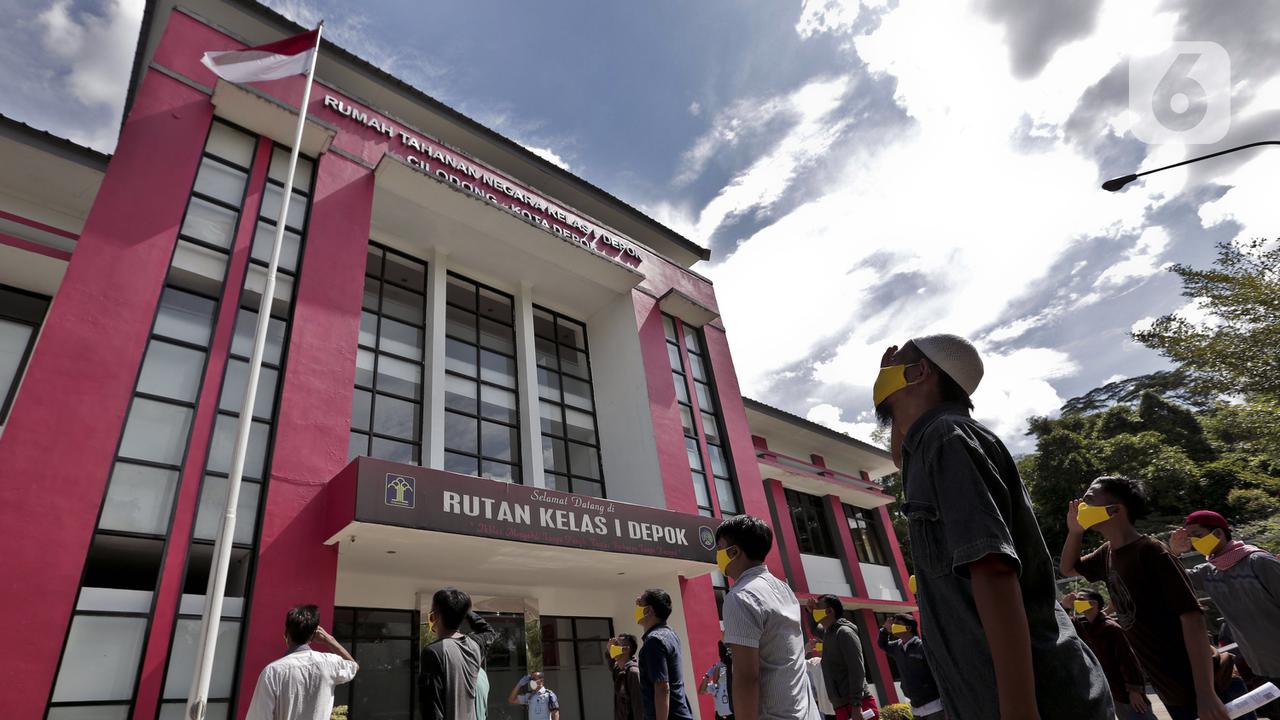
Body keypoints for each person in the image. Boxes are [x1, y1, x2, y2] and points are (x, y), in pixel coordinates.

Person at [875, 334, 1113, 720]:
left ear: (919, 372)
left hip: (1035, 702)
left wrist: (1019, 709)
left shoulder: (948, 439)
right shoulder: (932, 443)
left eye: (893, 364)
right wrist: (896, 402)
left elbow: (994, 570)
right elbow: (901, 456)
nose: (882, 374)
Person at [1060, 476, 1230, 720]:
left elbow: (1192, 619)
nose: (1079, 508)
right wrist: (1075, 531)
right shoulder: (1106, 553)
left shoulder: (1151, 551)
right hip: (1171, 690)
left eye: (1088, 501)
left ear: (1115, 510)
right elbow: (1068, 569)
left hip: (1205, 688)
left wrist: (1206, 693)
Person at [715, 513, 820, 720]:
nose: (717, 555)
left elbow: (746, 677)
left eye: (719, 548)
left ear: (734, 552)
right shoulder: (784, 589)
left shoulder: (740, 597)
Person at [1171, 509, 1280, 692]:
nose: (1194, 542)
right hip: (1261, 664)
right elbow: (1170, 577)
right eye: (1190, 538)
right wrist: (1173, 553)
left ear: (1219, 533)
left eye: (1197, 535)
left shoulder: (1258, 561)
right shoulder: (1208, 572)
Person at [245, 604, 360, 720]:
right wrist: (329, 640)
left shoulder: (273, 672)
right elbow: (353, 666)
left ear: (286, 634)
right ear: (313, 636)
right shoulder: (328, 663)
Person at [1060, 590, 1155, 720]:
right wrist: (1064, 607)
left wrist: (1135, 690)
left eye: (1079, 599)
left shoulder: (1111, 628)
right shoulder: (1084, 626)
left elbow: (1128, 660)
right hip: (1109, 689)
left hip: (1124, 691)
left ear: (1093, 603)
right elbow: (1062, 624)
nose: (1076, 602)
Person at [419, 587, 499, 720]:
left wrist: (461, 610)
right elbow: (489, 632)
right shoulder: (475, 646)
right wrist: (463, 610)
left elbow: (432, 710)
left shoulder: (433, 652)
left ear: (436, 615)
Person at [807, 595, 876, 720]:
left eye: (818, 608)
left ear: (830, 611)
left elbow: (857, 670)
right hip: (841, 705)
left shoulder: (844, 632)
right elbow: (814, 629)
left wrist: (856, 705)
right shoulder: (828, 633)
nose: (815, 611)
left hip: (856, 705)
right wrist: (811, 612)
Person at [635, 588, 696, 720]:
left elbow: (662, 687)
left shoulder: (654, 641)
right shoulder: (670, 634)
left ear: (648, 610)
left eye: (639, 604)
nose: (636, 607)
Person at [876, 614, 942, 719]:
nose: (894, 626)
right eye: (894, 624)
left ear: (909, 628)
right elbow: (882, 644)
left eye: (897, 624)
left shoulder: (922, 647)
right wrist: (884, 630)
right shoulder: (897, 647)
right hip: (915, 708)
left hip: (935, 706)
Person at [612, 634, 645, 720]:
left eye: (616, 644)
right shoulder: (618, 669)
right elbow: (609, 659)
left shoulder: (633, 672)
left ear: (626, 649)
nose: (612, 647)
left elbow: (639, 707)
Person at [699, 641, 735, 720]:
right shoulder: (715, 687)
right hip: (720, 716)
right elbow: (701, 691)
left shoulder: (734, 683)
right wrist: (707, 674)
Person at [804, 639, 837, 720]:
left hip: (844, 708)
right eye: (819, 646)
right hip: (828, 712)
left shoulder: (838, 661)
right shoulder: (815, 663)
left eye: (822, 645)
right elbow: (797, 665)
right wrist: (805, 650)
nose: (821, 649)